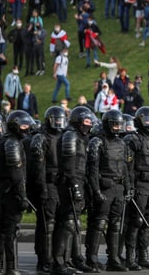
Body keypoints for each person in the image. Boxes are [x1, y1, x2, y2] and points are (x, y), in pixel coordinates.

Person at [50, 107, 96, 274]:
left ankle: (72, 260)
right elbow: (69, 165)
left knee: (74, 223)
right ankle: (59, 263)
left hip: (79, 181)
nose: (88, 126)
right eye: (86, 122)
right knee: (68, 223)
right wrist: (74, 185)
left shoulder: (81, 138)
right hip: (69, 183)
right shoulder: (70, 136)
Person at [86, 110, 130, 271]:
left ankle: (114, 258)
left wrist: (128, 187)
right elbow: (92, 169)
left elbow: (125, 167)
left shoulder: (121, 143)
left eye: (119, 124)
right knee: (99, 223)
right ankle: (92, 257)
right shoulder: (97, 142)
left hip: (118, 187)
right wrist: (96, 190)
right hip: (105, 187)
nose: (118, 127)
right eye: (115, 124)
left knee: (115, 224)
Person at [123, 107, 149, 270]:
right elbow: (129, 166)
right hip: (140, 183)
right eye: (146, 119)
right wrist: (130, 187)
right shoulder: (133, 140)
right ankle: (130, 258)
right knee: (136, 221)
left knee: (148, 221)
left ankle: (144, 257)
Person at [0, 110, 34, 275]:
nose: (26, 128)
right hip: (10, 193)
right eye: (23, 125)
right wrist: (23, 196)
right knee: (9, 231)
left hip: (4, 191)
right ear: (14, 125)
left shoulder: (7, 141)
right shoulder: (12, 144)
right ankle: (9, 266)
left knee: (3, 230)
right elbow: (16, 175)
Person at [30, 106, 67, 273]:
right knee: (47, 225)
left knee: (62, 223)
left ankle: (59, 260)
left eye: (61, 120)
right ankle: (45, 261)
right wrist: (42, 188)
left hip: (62, 185)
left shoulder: (65, 137)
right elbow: (38, 167)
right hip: (48, 183)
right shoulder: (41, 138)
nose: (58, 123)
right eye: (56, 120)